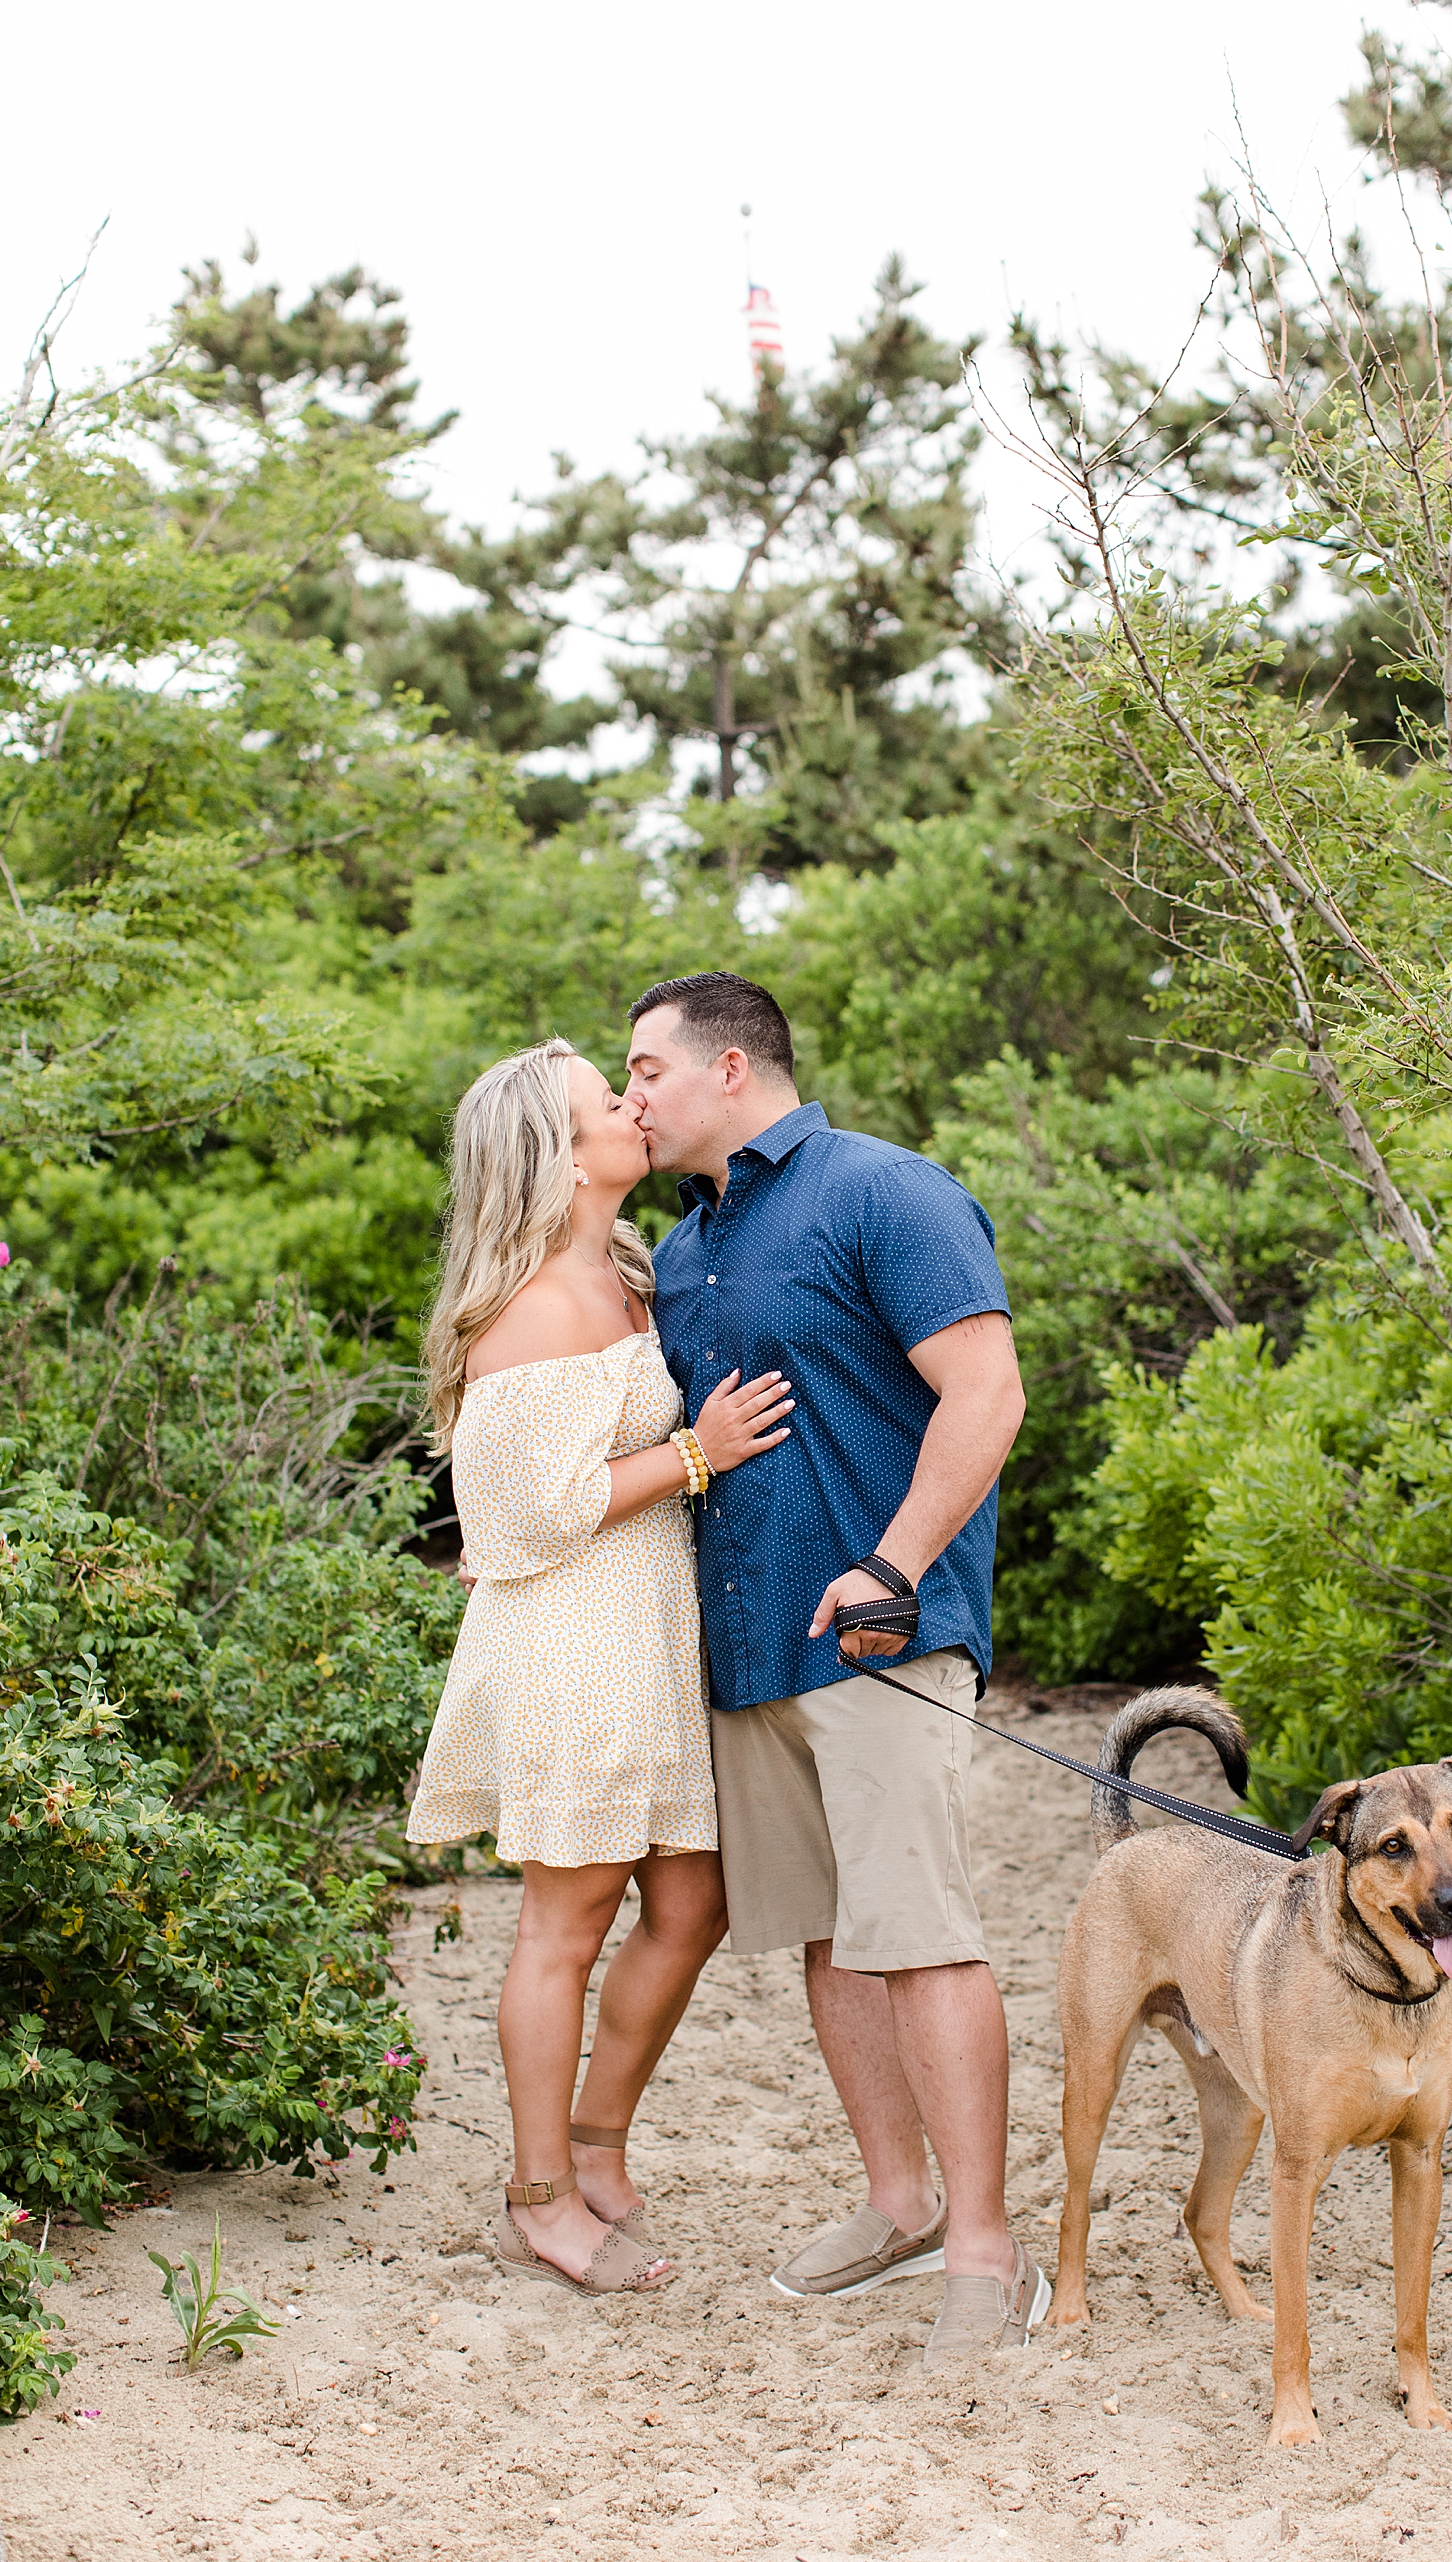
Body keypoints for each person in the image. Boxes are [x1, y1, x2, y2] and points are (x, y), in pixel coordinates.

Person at [623, 972, 1046, 2369]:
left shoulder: (886, 1191)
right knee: (827, 1935)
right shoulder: (683, 1253)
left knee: (920, 1931)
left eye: (646, 1069)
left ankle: (987, 2250)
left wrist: (896, 1561)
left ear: (730, 1066)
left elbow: (989, 1393)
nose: (633, 1097)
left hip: (881, 1632)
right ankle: (899, 2200)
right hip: (749, 1653)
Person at [407, 1036, 792, 2297]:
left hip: (647, 1634)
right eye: (606, 1101)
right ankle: (540, 2195)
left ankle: (596, 2138)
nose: (635, 1106)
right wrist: (700, 1451)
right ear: (562, 1157)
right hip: (576, 1642)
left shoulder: (623, 1265)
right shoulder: (530, 1307)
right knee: (564, 1927)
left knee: (693, 1904)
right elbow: (515, 1516)